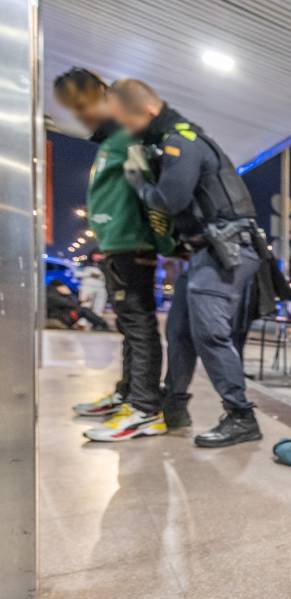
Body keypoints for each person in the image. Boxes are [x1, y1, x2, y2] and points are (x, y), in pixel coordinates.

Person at [110, 79, 268, 448]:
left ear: (146, 111)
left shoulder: (181, 141)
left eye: (126, 120)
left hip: (226, 248)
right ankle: (174, 407)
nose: (126, 130)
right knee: (179, 330)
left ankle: (241, 416)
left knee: (210, 333)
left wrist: (138, 181)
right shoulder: (169, 142)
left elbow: (170, 200)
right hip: (206, 251)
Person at [53, 67, 175, 441]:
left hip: (133, 248)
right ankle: (128, 396)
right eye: (73, 108)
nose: (80, 114)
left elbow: (151, 192)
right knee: (128, 326)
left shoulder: (128, 140)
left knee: (139, 327)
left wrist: (165, 243)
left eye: (84, 103)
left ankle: (144, 409)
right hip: (115, 248)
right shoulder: (110, 143)